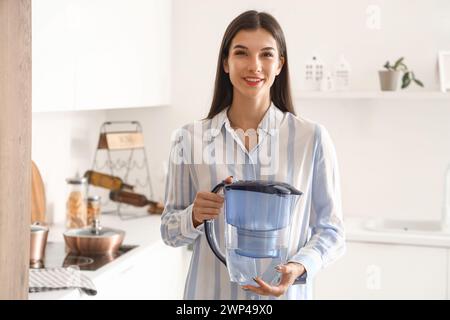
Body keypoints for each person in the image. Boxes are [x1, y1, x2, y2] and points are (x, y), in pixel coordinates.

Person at [160, 10, 345, 300]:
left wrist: (299, 266)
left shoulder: (313, 139)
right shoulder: (189, 139)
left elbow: (332, 231)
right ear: (225, 62)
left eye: (267, 55)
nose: (254, 66)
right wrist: (193, 216)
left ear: (280, 64)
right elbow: (170, 232)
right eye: (242, 53)